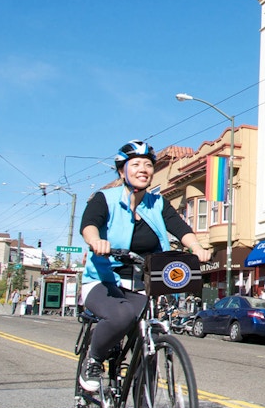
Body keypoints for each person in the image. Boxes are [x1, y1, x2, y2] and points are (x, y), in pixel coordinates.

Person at [79, 139, 212, 393]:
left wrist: (197, 248)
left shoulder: (157, 203)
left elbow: (180, 228)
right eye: (136, 164)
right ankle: (94, 360)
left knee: (149, 340)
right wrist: (96, 241)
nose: (143, 169)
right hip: (104, 281)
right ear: (122, 171)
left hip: (141, 285)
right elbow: (90, 224)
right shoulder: (104, 199)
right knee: (121, 315)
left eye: (148, 165)